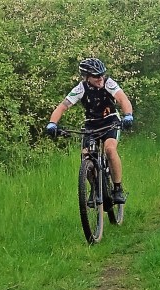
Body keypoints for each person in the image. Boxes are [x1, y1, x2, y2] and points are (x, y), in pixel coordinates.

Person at [46, 58, 133, 204]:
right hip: (91, 125)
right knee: (86, 155)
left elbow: (123, 99)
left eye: (102, 74)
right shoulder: (80, 89)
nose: (100, 78)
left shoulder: (109, 83)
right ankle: (94, 187)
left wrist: (128, 115)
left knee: (110, 150)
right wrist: (52, 124)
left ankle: (117, 188)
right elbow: (62, 107)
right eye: (96, 76)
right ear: (86, 77)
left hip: (111, 122)